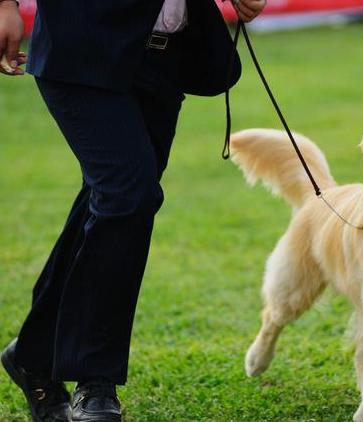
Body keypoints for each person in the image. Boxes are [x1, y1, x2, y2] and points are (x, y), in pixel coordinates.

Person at [0, 0, 266, 420]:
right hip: (81, 46)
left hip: (166, 56)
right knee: (128, 194)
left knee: (111, 199)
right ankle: (95, 379)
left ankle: (34, 352)